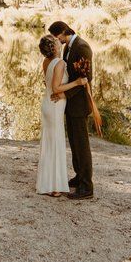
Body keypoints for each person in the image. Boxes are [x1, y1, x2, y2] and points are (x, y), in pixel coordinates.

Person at [36, 34, 88, 196]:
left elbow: (48, 83)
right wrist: (77, 83)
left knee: (49, 144)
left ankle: (48, 182)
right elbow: (57, 88)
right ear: (55, 47)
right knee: (56, 144)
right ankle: (54, 187)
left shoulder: (46, 62)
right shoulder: (59, 63)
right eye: (58, 42)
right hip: (55, 106)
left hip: (48, 104)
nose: (60, 42)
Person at [48, 21, 94, 200]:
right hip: (70, 104)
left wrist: (64, 95)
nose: (56, 41)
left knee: (82, 146)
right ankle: (79, 176)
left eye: (56, 37)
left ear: (62, 33)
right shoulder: (69, 46)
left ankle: (87, 187)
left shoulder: (82, 47)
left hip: (79, 104)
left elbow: (85, 78)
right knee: (74, 144)